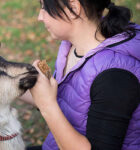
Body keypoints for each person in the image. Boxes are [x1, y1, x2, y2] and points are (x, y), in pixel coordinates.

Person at [21, 0, 140, 149]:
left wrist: (47, 105)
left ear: (73, 8)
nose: (40, 16)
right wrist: (1, 79)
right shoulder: (73, 46)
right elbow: (66, 101)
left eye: (45, 7)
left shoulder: (115, 78)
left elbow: (50, 102)